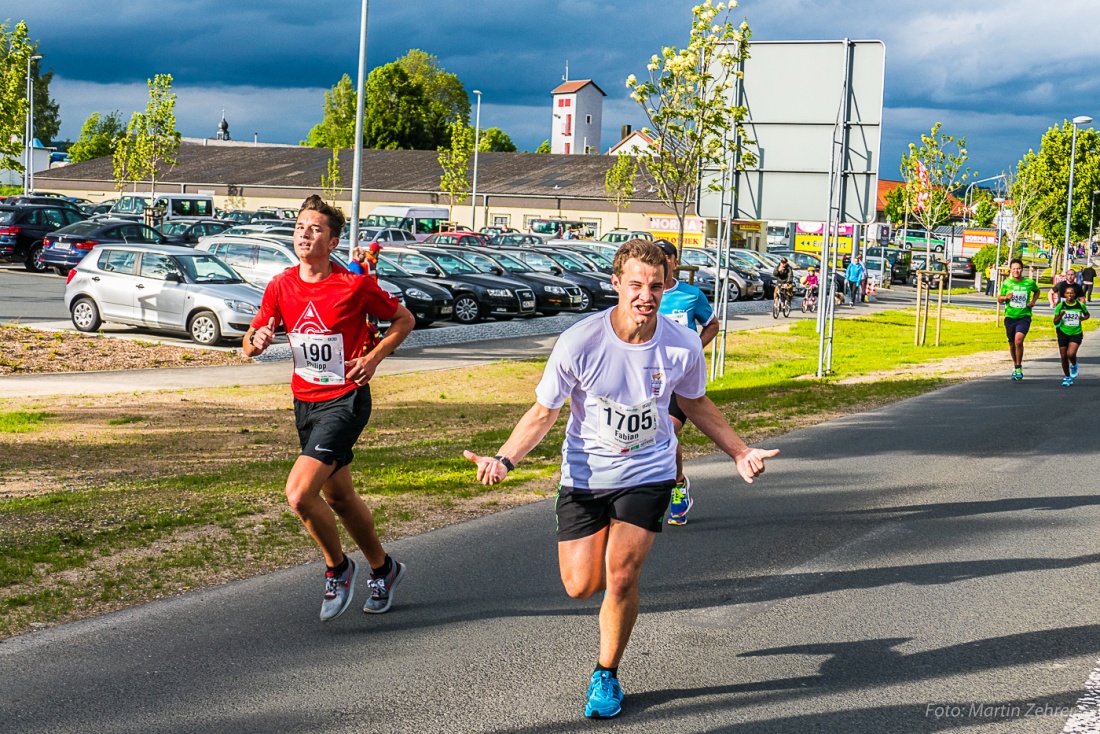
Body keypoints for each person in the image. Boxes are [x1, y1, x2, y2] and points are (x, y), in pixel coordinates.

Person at [463, 240, 778, 720]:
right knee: (579, 585)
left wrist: (738, 451)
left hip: (648, 473)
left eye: (655, 286)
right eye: (635, 284)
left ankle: (606, 673)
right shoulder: (579, 342)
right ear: (617, 284)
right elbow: (544, 412)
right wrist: (505, 460)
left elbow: (695, 403)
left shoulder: (682, 343)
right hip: (587, 475)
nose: (645, 295)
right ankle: (600, 554)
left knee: (623, 575)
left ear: (667, 287)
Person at [243, 195, 417, 621]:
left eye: (316, 228)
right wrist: (256, 342)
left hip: (346, 399)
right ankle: (385, 568)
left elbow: (404, 320)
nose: (305, 233)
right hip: (305, 402)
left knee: (300, 494)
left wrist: (373, 357)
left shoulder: (352, 285)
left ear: (333, 241)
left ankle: (338, 568)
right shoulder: (281, 284)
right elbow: (250, 338)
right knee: (338, 496)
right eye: (301, 226)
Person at [653, 239, 720, 525]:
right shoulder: (644, 296)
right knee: (650, 435)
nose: (660, 261)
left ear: (674, 262)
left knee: (667, 431)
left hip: (679, 381)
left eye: (665, 257)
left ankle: (678, 486)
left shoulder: (690, 295)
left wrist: (693, 349)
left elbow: (712, 324)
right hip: (648, 379)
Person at [996, 257, 1041, 381]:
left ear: (1022, 270)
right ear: (1011, 270)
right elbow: (999, 299)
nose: (1016, 271)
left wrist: (1033, 301)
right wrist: (1006, 297)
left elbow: (1037, 291)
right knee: (1011, 344)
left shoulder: (1029, 282)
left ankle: (1018, 366)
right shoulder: (1007, 283)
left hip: (1024, 316)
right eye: (1014, 269)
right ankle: (1015, 365)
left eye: (1019, 268)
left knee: (1018, 341)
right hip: (1010, 317)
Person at [1054, 282, 1089, 386]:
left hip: (1076, 332)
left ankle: (1074, 364)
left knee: (1071, 354)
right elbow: (1055, 321)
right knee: (1064, 356)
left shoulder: (1080, 305)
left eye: (1072, 293)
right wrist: (1060, 315)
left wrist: (1083, 318)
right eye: (1067, 293)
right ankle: (1067, 377)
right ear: (1064, 295)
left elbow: (1087, 314)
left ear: (1075, 295)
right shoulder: (1061, 305)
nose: (1069, 295)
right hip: (1063, 332)